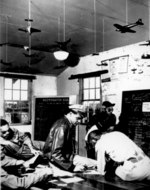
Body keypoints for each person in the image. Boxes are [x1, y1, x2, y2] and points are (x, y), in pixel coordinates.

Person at [43, 104, 97, 172]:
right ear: (70, 114)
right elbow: (55, 154)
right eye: (78, 118)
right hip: (57, 162)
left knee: (96, 164)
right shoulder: (63, 126)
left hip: (66, 158)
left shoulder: (66, 123)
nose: (79, 121)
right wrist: (71, 167)